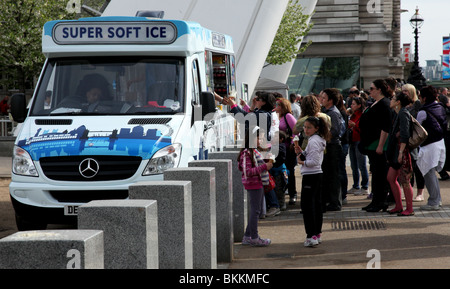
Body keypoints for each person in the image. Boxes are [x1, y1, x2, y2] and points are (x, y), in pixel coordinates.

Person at [295, 116, 330, 247]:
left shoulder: (314, 141)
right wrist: (301, 152)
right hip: (315, 175)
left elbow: (314, 162)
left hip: (311, 175)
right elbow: (312, 156)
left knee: (308, 207)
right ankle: (317, 234)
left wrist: (302, 162)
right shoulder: (317, 140)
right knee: (315, 205)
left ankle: (311, 235)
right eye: (305, 127)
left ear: (316, 128)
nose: (306, 129)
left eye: (309, 127)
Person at [359, 79, 393, 212]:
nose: (370, 90)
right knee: (376, 173)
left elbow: (386, 127)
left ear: (380, 90)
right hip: (371, 144)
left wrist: (380, 145)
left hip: (377, 145)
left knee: (380, 174)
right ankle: (375, 201)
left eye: (372, 88)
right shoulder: (376, 103)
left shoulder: (384, 104)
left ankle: (380, 202)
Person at [238, 126, 273, 246]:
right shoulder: (247, 152)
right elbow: (248, 171)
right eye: (259, 138)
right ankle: (254, 237)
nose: (261, 141)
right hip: (254, 184)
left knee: (255, 210)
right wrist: (265, 167)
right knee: (255, 211)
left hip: (257, 183)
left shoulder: (252, 151)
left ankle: (248, 236)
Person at [416, 86, 447, 211]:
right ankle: (436, 200)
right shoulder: (441, 107)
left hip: (428, 145)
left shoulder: (423, 111)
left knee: (429, 173)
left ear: (424, 98)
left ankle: (434, 201)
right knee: (432, 173)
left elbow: (417, 129)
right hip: (440, 142)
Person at [386, 92, 415, 216]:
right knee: (391, 178)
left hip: (402, 151)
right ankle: (399, 205)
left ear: (398, 102)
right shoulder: (399, 113)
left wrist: (400, 152)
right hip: (397, 151)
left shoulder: (403, 113)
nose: (391, 100)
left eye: (393, 99)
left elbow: (405, 134)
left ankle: (409, 208)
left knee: (405, 180)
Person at [319, 88, 344, 211]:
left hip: (333, 146)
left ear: (331, 100)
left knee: (333, 175)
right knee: (328, 175)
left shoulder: (333, 113)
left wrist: (322, 134)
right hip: (328, 146)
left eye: (324, 98)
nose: (321, 100)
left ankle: (335, 202)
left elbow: (336, 131)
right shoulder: (326, 111)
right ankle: (330, 200)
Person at [402, 83, 425, 202]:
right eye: (402, 91)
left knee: (417, 167)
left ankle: (420, 192)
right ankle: (408, 192)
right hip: (406, 139)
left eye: (406, 91)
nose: (404, 92)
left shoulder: (416, 104)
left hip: (415, 139)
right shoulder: (403, 105)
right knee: (408, 167)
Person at [275, 98, 298, 205]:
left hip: (288, 148)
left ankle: (293, 194)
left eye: (278, 105)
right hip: (278, 148)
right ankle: (282, 194)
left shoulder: (288, 116)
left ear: (283, 106)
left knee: (289, 171)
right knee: (280, 172)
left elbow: (296, 130)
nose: (276, 106)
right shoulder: (275, 115)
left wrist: (293, 142)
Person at [347, 96, 370, 196]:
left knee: (362, 164)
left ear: (359, 105)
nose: (351, 106)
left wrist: (354, 126)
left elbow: (364, 129)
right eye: (351, 104)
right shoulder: (353, 114)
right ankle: (356, 185)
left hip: (359, 141)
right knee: (353, 165)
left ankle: (365, 186)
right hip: (352, 141)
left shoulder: (363, 115)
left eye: (353, 104)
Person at [270, 130, 288, 210]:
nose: (273, 138)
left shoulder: (281, 146)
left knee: (280, 188)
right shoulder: (274, 146)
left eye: (276, 137)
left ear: (282, 139)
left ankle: (282, 203)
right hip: (274, 170)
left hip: (280, 171)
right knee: (274, 188)